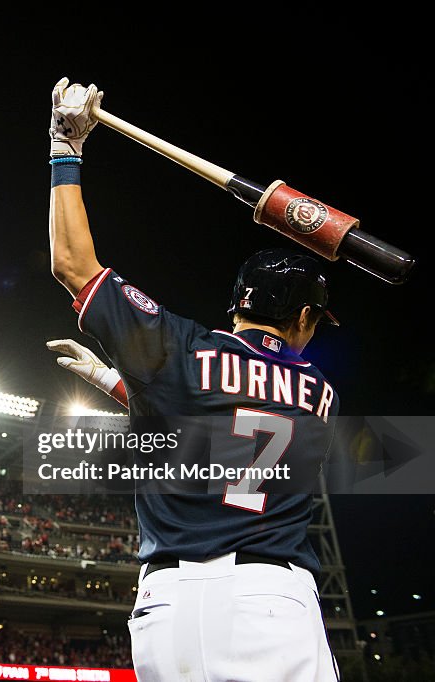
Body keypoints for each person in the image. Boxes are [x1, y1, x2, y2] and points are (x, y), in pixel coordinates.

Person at [44, 77, 341, 681]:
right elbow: (234, 424)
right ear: (305, 318)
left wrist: (65, 147)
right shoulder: (320, 394)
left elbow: (73, 266)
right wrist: (122, 385)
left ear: (237, 304)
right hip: (270, 598)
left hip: (167, 610)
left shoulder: (177, 349)